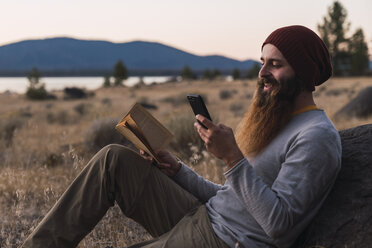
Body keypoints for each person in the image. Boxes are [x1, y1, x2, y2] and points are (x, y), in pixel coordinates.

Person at [22, 25, 341, 248]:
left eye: (275, 64)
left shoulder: (316, 137)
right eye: (262, 63)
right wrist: (179, 172)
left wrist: (232, 158)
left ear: (302, 73)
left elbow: (281, 227)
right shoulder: (279, 121)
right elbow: (233, 199)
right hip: (204, 217)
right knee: (113, 160)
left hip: (223, 240)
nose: (262, 74)